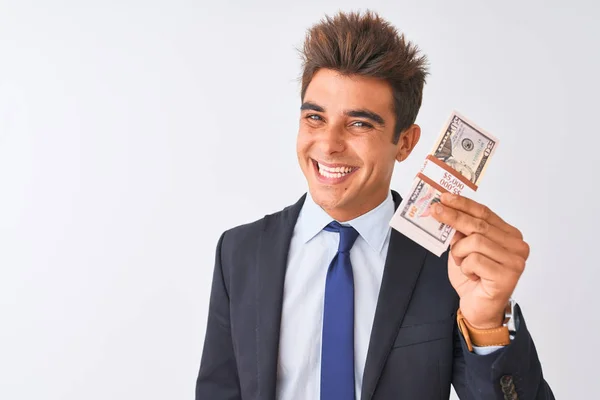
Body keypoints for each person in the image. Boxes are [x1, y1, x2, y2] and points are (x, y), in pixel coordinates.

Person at [196, 10, 554, 400]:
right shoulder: (240, 252)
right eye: (315, 117)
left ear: (405, 142)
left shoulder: (448, 263)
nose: (329, 144)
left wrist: (486, 323)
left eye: (360, 124)